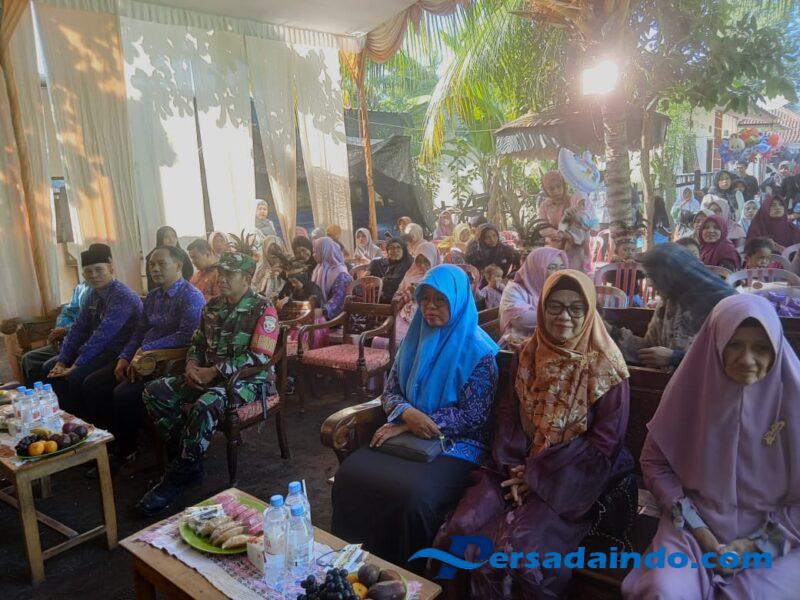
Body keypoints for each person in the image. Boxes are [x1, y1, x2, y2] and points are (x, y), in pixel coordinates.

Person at [436, 270, 631, 598]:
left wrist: (538, 475)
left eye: (576, 308)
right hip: (512, 467)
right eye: (555, 306)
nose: (564, 316)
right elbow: (508, 415)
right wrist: (516, 467)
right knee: (459, 530)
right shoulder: (528, 353)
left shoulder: (607, 369)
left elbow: (604, 445)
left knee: (511, 557)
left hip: (570, 481)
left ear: (589, 312)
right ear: (541, 308)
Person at [622, 294, 800, 599]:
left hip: (777, 534)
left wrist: (755, 546)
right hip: (693, 526)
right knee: (664, 591)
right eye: (734, 344)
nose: (747, 359)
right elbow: (655, 462)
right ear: (715, 343)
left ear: (777, 348)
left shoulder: (795, 401)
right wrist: (698, 528)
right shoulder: (690, 391)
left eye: (761, 348)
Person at [332, 265, 499, 567]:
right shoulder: (414, 339)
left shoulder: (480, 352)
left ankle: (411, 575)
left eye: (440, 300)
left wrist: (411, 422)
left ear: (458, 300)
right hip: (405, 429)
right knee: (351, 474)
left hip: (458, 444)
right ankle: (353, 567)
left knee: (414, 496)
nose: (430, 307)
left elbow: (472, 416)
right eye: (425, 299)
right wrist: (407, 415)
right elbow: (391, 391)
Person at [137, 246, 280, 515]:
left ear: (246, 278)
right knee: (154, 392)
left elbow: (260, 356)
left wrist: (214, 371)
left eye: (229, 274)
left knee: (207, 403)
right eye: (220, 273)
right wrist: (191, 366)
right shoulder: (211, 307)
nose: (221, 279)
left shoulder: (263, 308)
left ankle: (180, 474)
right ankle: (187, 459)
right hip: (206, 376)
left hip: (249, 383)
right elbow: (197, 344)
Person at [81, 246, 205, 466]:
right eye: (152, 265)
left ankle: (127, 449)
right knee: (93, 384)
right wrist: (125, 357)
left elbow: (187, 336)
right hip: (141, 358)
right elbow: (139, 331)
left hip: (169, 363)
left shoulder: (191, 296)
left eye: (161, 264)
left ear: (178, 265)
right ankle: (108, 442)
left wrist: (147, 350)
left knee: (123, 393)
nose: (154, 269)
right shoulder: (154, 296)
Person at [46, 245, 142, 420]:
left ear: (111, 269)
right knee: (51, 369)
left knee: (77, 377)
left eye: (99, 269)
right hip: (98, 352)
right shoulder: (94, 294)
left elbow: (102, 336)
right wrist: (62, 361)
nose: (94, 275)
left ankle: (91, 428)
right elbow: (78, 328)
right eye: (88, 272)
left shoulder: (122, 296)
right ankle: (67, 422)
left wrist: (76, 365)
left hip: (118, 353)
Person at [608, 243, 735, 368]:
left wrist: (675, 358)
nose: (650, 284)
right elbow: (650, 349)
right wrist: (610, 332)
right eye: (648, 276)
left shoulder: (724, 306)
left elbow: (730, 361)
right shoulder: (668, 304)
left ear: (672, 275)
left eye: (654, 276)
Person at [21, 279, 90, 385]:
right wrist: (59, 330)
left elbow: (91, 324)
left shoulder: (104, 292)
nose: (93, 274)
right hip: (66, 341)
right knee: (29, 359)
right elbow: (67, 313)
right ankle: (38, 394)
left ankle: (52, 394)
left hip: (82, 343)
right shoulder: (81, 288)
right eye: (88, 271)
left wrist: (66, 330)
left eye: (98, 271)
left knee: (49, 366)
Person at [498, 247, 567, 350]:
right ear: (536, 268)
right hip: (519, 349)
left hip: (549, 344)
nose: (558, 273)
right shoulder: (514, 288)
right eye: (552, 267)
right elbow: (521, 319)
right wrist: (560, 317)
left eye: (562, 267)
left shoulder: (557, 289)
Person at [537, 170, 598, 273]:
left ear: (564, 185)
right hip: (553, 250)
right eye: (551, 188)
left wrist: (575, 221)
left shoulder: (575, 201)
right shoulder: (545, 206)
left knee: (574, 277)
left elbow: (587, 224)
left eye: (558, 186)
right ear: (545, 190)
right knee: (556, 278)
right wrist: (557, 233)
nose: (556, 191)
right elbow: (542, 227)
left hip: (575, 249)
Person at [392, 242, 441, 343]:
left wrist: (421, 295)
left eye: (426, 261)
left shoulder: (439, 276)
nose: (422, 265)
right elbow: (398, 294)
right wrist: (407, 294)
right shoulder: (411, 274)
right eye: (418, 261)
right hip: (407, 312)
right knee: (392, 338)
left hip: (429, 314)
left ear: (433, 259)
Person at [312, 237, 353, 320]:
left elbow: (339, 301)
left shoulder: (341, 274)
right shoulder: (319, 268)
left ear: (325, 252)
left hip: (336, 318)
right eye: (313, 252)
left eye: (316, 252)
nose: (313, 255)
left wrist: (323, 311)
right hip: (319, 312)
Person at [146, 226, 193, 291]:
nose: (171, 239)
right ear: (160, 239)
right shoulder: (153, 256)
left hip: (181, 289)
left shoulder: (182, 254)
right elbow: (151, 281)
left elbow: (189, 272)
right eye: (167, 237)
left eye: (174, 236)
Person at [368, 237, 412, 304]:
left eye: (398, 247)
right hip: (383, 292)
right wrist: (369, 270)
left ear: (404, 250)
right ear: (387, 250)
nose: (395, 250)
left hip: (396, 297)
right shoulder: (391, 261)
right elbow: (378, 261)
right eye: (391, 248)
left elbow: (395, 281)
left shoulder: (407, 263)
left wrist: (378, 282)